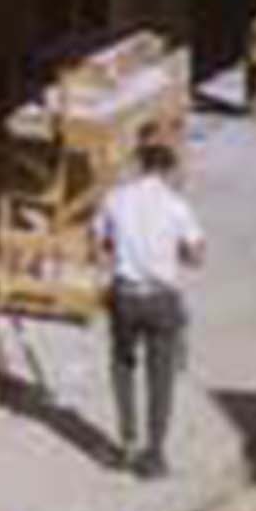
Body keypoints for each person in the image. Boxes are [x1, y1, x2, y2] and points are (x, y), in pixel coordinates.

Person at [95, 135, 206, 478]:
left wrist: (118, 260)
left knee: (122, 365)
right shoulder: (177, 206)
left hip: (125, 295)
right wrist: (174, 255)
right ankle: (155, 454)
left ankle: (127, 441)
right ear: (168, 169)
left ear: (140, 166)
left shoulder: (115, 199)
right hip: (161, 299)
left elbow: (100, 242)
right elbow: (197, 254)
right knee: (161, 378)